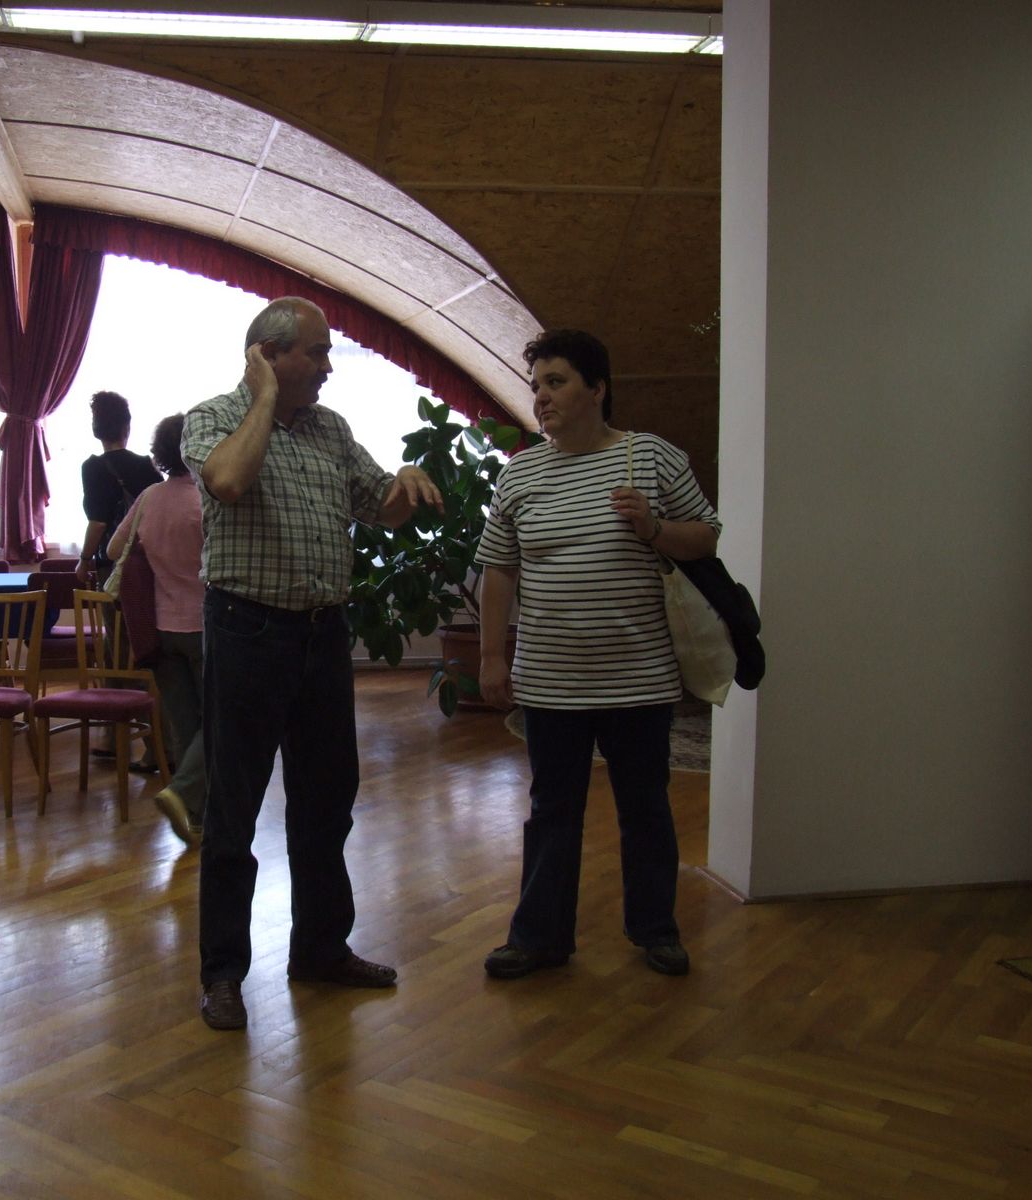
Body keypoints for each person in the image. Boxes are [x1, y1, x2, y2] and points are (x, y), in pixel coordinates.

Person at [180, 296, 442, 1031]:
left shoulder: (332, 429)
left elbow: (382, 507)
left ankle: (321, 950)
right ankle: (223, 974)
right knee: (233, 810)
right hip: (247, 631)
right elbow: (229, 482)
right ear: (268, 355)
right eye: (317, 353)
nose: (328, 367)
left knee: (327, 802)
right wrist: (263, 399)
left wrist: (407, 479)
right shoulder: (213, 418)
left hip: (324, 635)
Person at [476, 329, 720, 982]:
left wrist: (655, 527)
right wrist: (492, 657)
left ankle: (656, 931)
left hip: (639, 678)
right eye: (536, 386)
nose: (541, 397)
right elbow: (498, 569)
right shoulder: (520, 473)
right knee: (552, 812)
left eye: (556, 382)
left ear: (598, 389)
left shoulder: (652, 458)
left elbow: (706, 538)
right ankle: (539, 938)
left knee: (646, 810)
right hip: (549, 682)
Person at [106, 411, 206, 847]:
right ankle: (184, 795)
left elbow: (115, 550)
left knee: (185, 725)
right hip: (205, 627)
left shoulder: (149, 497)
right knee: (221, 720)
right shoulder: (206, 500)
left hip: (159, 629)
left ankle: (196, 817)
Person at [75, 390, 160, 588]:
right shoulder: (146, 465)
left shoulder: (92, 467)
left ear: (96, 429)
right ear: (127, 427)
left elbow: (98, 523)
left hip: (111, 558)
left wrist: (84, 560)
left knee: (114, 608)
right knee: (144, 608)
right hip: (147, 557)